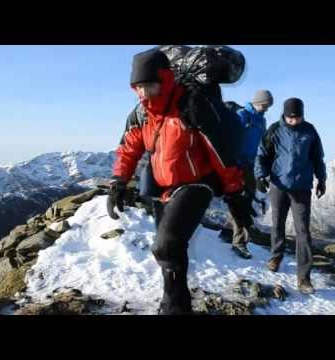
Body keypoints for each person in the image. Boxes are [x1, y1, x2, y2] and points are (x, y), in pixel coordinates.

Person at [107, 49, 254, 314]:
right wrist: (118, 181)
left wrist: (234, 194)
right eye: (138, 87)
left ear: (164, 79)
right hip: (164, 188)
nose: (143, 93)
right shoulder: (143, 114)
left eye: (148, 85)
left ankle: (174, 307)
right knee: (171, 252)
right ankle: (174, 301)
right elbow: (128, 149)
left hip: (197, 183)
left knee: (167, 245)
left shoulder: (190, 104)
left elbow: (219, 152)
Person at [254, 98, 327, 294]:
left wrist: (322, 179)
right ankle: (276, 256)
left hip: (302, 187)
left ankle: (304, 278)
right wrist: (260, 175)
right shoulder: (275, 130)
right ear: (284, 115)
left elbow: (317, 157)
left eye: (297, 117)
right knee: (277, 223)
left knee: (303, 231)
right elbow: (262, 154)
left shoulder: (309, 131)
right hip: (279, 185)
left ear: (302, 115)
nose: (293, 121)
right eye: (290, 117)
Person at [226, 90, 274, 259]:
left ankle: (229, 232)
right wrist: (235, 162)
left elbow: (262, 144)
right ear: (257, 102)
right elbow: (231, 139)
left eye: (268, 106)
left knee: (244, 200)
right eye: (264, 105)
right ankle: (240, 243)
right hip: (239, 165)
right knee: (242, 203)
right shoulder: (242, 115)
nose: (266, 109)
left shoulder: (261, 120)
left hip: (253, 166)